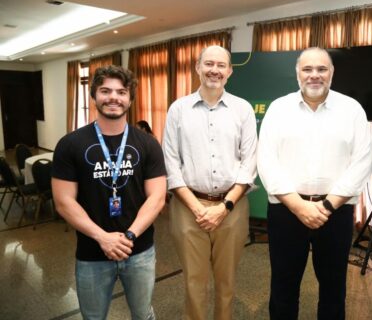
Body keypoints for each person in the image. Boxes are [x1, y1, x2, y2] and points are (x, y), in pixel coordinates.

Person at [257, 47, 372, 320]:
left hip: (336, 212)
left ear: (332, 73)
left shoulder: (352, 109)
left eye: (321, 69)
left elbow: (362, 162)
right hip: (286, 210)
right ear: (297, 73)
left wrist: (327, 206)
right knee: (283, 286)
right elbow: (266, 161)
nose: (314, 75)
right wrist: (299, 207)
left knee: (334, 289)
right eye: (307, 69)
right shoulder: (278, 108)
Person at [52, 65, 167, 320]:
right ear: (94, 95)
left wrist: (128, 235)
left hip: (139, 250)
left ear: (130, 98)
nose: (113, 97)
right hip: (92, 252)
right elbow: (63, 201)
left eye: (121, 92)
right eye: (105, 91)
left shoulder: (148, 144)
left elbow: (157, 197)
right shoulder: (70, 144)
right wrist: (103, 238)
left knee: (143, 315)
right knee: (93, 317)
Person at [162, 45, 257, 320]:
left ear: (229, 71)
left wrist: (223, 207)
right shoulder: (178, 109)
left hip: (233, 207)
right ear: (197, 67)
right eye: (208, 64)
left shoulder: (243, 109)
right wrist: (197, 208)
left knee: (227, 282)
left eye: (221, 65)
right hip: (187, 207)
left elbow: (248, 163)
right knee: (194, 282)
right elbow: (171, 162)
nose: (214, 70)